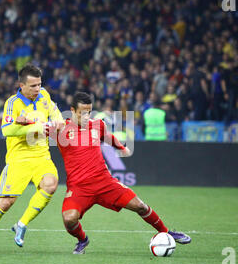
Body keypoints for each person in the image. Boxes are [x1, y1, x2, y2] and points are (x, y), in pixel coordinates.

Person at [52, 92, 191, 254]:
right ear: (72, 110)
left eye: (89, 112)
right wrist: (21, 121)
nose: (86, 116)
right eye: (82, 112)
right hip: (79, 187)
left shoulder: (97, 125)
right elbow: (35, 128)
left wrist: (121, 147)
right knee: (69, 219)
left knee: (140, 205)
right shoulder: (61, 128)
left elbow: (108, 137)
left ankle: (166, 232)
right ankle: (82, 240)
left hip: (104, 182)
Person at [0, 64, 64, 253]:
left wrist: (58, 120)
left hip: (41, 156)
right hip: (19, 158)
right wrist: (33, 126)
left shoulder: (44, 95)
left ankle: (22, 224)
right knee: (6, 202)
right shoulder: (12, 103)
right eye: (33, 86)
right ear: (21, 85)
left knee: (51, 184)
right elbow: (6, 130)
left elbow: (55, 112)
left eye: (39, 84)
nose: (37, 89)